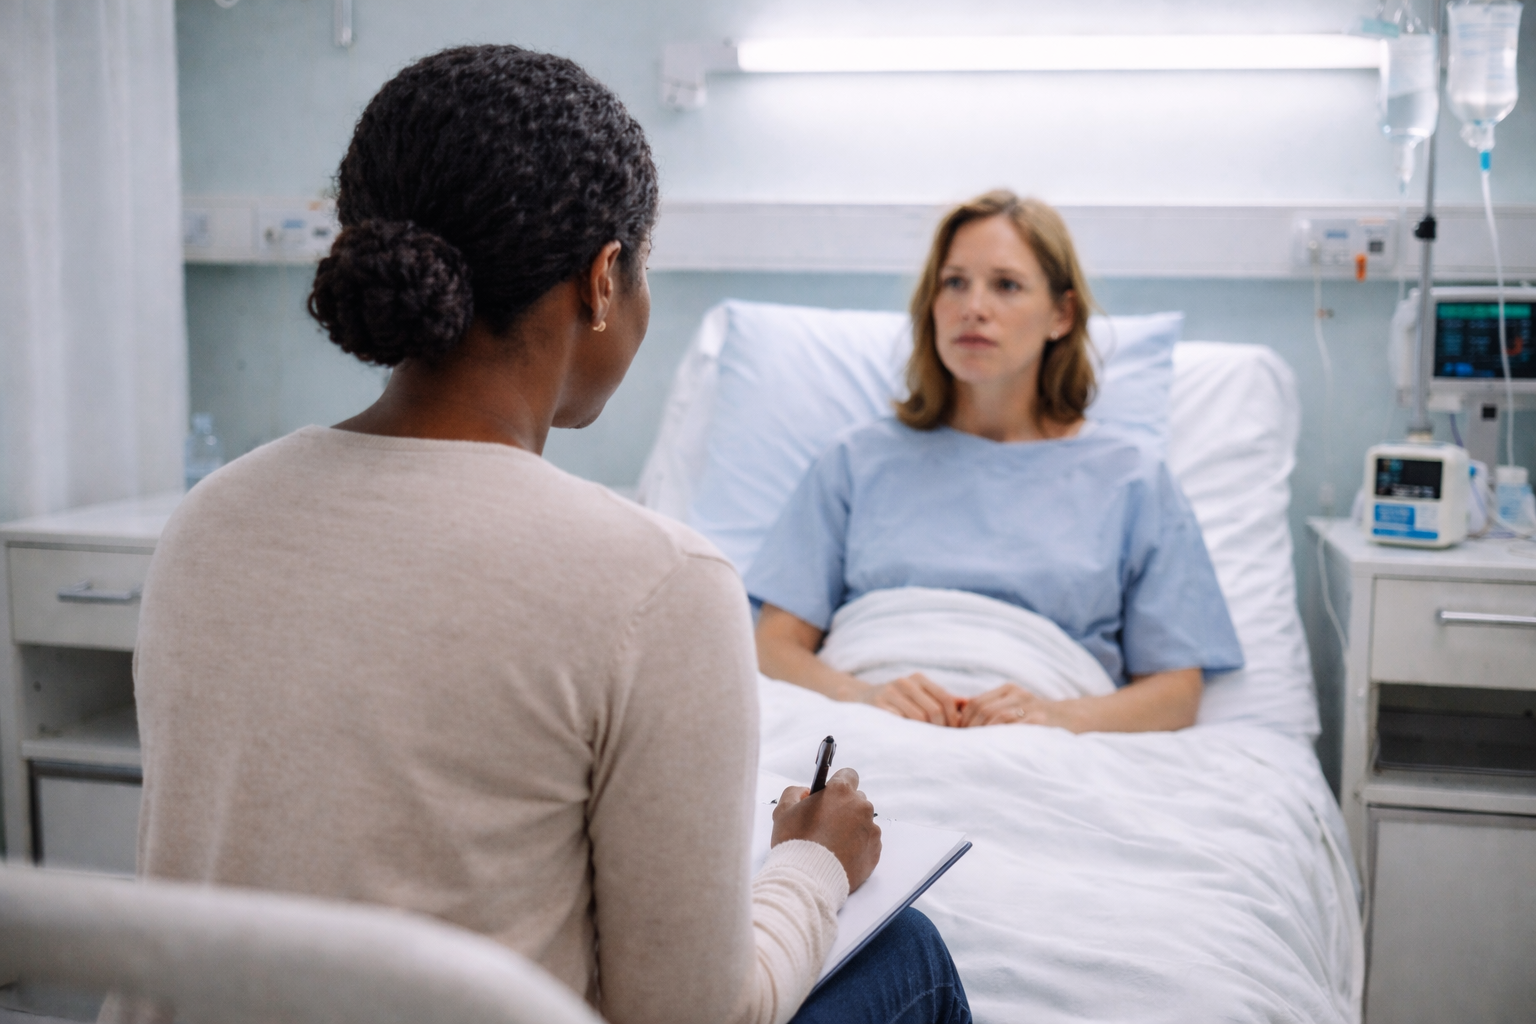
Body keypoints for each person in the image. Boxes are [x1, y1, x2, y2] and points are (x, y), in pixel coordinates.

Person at [132, 46, 969, 1024]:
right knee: (909, 948)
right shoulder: (658, 584)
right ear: (604, 279)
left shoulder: (211, 519)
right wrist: (814, 863)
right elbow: (691, 1016)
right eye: (645, 265)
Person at [749, 191, 1243, 734]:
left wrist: (1056, 716)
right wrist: (862, 696)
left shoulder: (1131, 479)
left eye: (1006, 285)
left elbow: (1175, 694)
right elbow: (773, 646)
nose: (973, 307)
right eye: (954, 283)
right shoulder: (855, 461)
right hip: (866, 728)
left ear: (1061, 314)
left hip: (1040, 739)